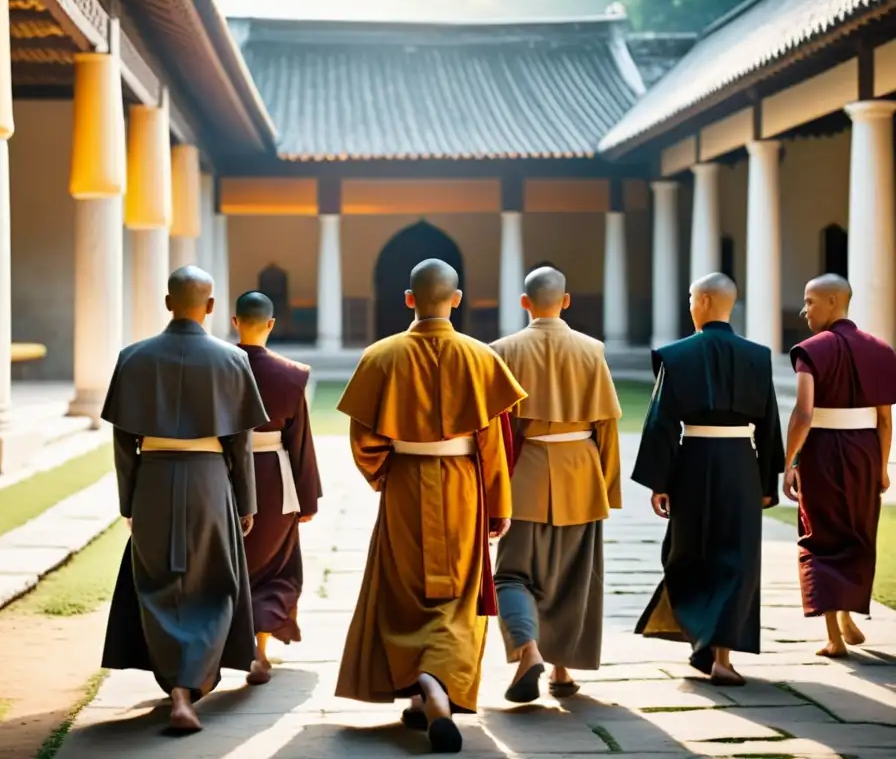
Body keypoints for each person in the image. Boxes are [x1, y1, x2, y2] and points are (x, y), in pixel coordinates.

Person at [334, 258, 525, 754]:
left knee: (404, 589)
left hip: (405, 486)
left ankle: (423, 693)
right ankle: (437, 687)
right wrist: (499, 504)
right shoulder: (481, 358)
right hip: (464, 485)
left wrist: (385, 474)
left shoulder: (380, 356)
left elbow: (364, 442)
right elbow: (492, 445)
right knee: (457, 598)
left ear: (408, 298)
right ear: (456, 299)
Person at [98, 266, 269, 732]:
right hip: (210, 480)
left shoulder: (132, 358)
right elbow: (240, 444)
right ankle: (192, 686)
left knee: (158, 583)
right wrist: (246, 502)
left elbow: (122, 442)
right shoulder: (233, 361)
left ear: (168, 301)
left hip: (152, 478)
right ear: (211, 306)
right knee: (215, 580)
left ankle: (176, 688)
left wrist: (128, 502)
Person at [632, 272, 784, 686]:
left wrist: (660, 481)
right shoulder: (757, 356)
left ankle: (702, 639)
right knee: (739, 557)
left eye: (689, 299)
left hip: (693, 462)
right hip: (741, 464)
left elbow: (661, 421)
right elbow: (770, 422)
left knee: (688, 552)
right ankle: (721, 655)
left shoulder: (676, 355)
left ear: (700, 302)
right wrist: (768, 483)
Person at [490, 266, 621, 703]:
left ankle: (528, 650)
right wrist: (608, 487)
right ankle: (561, 670)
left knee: (511, 576)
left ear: (524, 302)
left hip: (522, 477)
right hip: (581, 474)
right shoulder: (592, 350)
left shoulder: (502, 350)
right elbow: (607, 425)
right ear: (566, 301)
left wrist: (489, 492)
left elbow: (492, 431)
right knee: (572, 578)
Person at [783, 273, 896, 657]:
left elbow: (803, 413)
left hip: (823, 452)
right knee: (858, 533)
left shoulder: (810, 350)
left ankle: (833, 637)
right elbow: (885, 420)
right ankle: (845, 616)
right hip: (864, 451)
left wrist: (789, 461)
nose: (804, 310)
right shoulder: (881, 350)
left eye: (810, 301)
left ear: (833, 302)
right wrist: (882, 467)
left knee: (821, 535)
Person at [232, 290, 322, 685]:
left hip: (225, 478)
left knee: (232, 563)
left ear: (235, 322)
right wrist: (307, 497)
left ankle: (230, 646)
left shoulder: (220, 368)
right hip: (275, 478)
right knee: (275, 568)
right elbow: (299, 440)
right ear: (271, 324)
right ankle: (260, 650)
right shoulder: (292, 374)